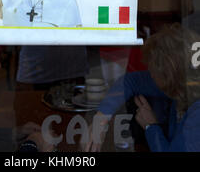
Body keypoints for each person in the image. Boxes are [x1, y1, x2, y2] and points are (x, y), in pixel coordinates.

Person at [84, 23, 200, 152]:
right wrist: (101, 119)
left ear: (169, 76)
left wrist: (150, 126)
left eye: (152, 70)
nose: (149, 73)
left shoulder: (197, 117)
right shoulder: (182, 86)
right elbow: (129, 82)